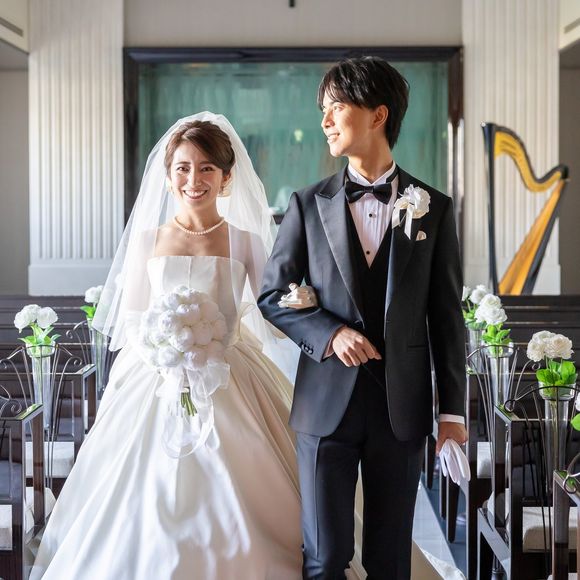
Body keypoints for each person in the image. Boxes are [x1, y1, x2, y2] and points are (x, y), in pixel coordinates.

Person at [31, 113, 312, 580]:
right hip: (156, 375)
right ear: (168, 176)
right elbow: (134, 319)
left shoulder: (244, 241)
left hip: (231, 374)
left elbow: (273, 316)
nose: (193, 179)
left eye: (206, 168)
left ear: (225, 178)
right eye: (182, 168)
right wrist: (168, 352)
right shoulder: (149, 241)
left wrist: (301, 302)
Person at [258, 57, 468, 579]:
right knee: (325, 558)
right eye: (324, 110)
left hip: (401, 409)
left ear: (377, 115)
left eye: (336, 107)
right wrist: (330, 334)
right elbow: (272, 295)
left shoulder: (434, 208)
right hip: (324, 407)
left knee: (389, 561)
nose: (325, 120)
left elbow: (447, 319)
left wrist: (452, 414)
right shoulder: (307, 204)